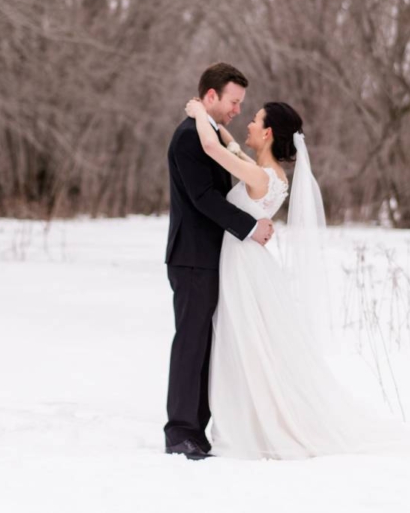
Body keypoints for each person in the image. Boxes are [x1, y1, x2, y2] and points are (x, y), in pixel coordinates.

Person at [181, 95, 396, 460]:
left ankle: (251, 424)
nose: (246, 124)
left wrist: (199, 113)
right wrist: (221, 130)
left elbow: (210, 148)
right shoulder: (271, 175)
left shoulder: (260, 176)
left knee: (244, 341)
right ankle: (250, 416)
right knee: (251, 342)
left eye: (253, 120)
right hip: (248, 261)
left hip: (244, 267)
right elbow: (232, 148)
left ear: (266, 133)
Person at [163, 63, 274, 460]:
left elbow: (228, 151)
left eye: (241, 103)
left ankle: (198, 427)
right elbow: (203, 199)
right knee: (192, 342)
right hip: (192, 257)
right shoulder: (189, 138)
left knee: (208, 343)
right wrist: (249, 228)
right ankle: (180, 430)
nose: (236, 110)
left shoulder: (207, 133)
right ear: (211, 96)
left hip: (212, 257)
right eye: (232, 101)